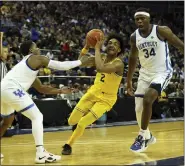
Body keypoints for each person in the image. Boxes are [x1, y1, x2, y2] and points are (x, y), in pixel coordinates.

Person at [0, 40, 93, 163]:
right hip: (11, 88)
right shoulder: (35, 58)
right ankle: (40, 153)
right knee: (37, 117)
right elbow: (60, 65)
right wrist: (81, 62)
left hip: (3, 90)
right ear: (31, 51)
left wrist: (60, 91)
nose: (38, 49)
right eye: (36, 47)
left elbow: (42, 88)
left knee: (7, 121)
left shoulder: (27, 68)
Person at [127, 8, 184, 153]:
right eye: (137, 19)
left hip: (162, 72)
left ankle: (141, 137)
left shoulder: (161, 30)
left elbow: (179, 45)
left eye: (142, 18)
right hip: (144, 74)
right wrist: (128, 81)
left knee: (148, 100)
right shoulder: (134, 36)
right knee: (138, 108)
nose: (139, 21)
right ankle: (148, 136)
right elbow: (133, 58)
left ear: (148, 19)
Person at [62, 33, 124, 155]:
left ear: (119, 50)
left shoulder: (119, 64)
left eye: (115, 44)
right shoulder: (100, 57)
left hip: (107, 99)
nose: (112, 45)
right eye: (110, 43)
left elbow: (101, 68)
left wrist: (96, 48)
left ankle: (68, 145)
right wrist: (86, 46)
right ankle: (77, 122)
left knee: (83, 122)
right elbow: (80, 61)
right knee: (71, 121)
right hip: (93, 92)